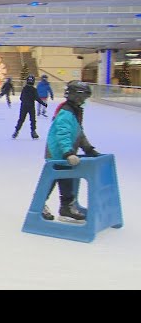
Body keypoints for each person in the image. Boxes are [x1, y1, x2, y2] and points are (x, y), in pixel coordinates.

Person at [41, 81, 101, 221]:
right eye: (83, 98)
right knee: (53, 180)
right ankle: (40, 203)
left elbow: (79, 133)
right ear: (77, 96)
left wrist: (88, 149)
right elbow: (63, 134)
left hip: (65, 154)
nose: (84, 101)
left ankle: (66, 207)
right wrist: (68, 152)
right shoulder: (66, 113)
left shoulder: (75, 111)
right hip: (58, 153)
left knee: (66, 180)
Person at [12, 75, 47, 140]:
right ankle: (33, 132)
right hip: (30, 106)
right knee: (32, 119)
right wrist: (43, 103)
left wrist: (25, 101)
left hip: (24, 106)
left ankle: (16, 131)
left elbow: (21, 98)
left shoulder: (24, 88)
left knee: (22, 119)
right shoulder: (33, 90)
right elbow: (37, 98)